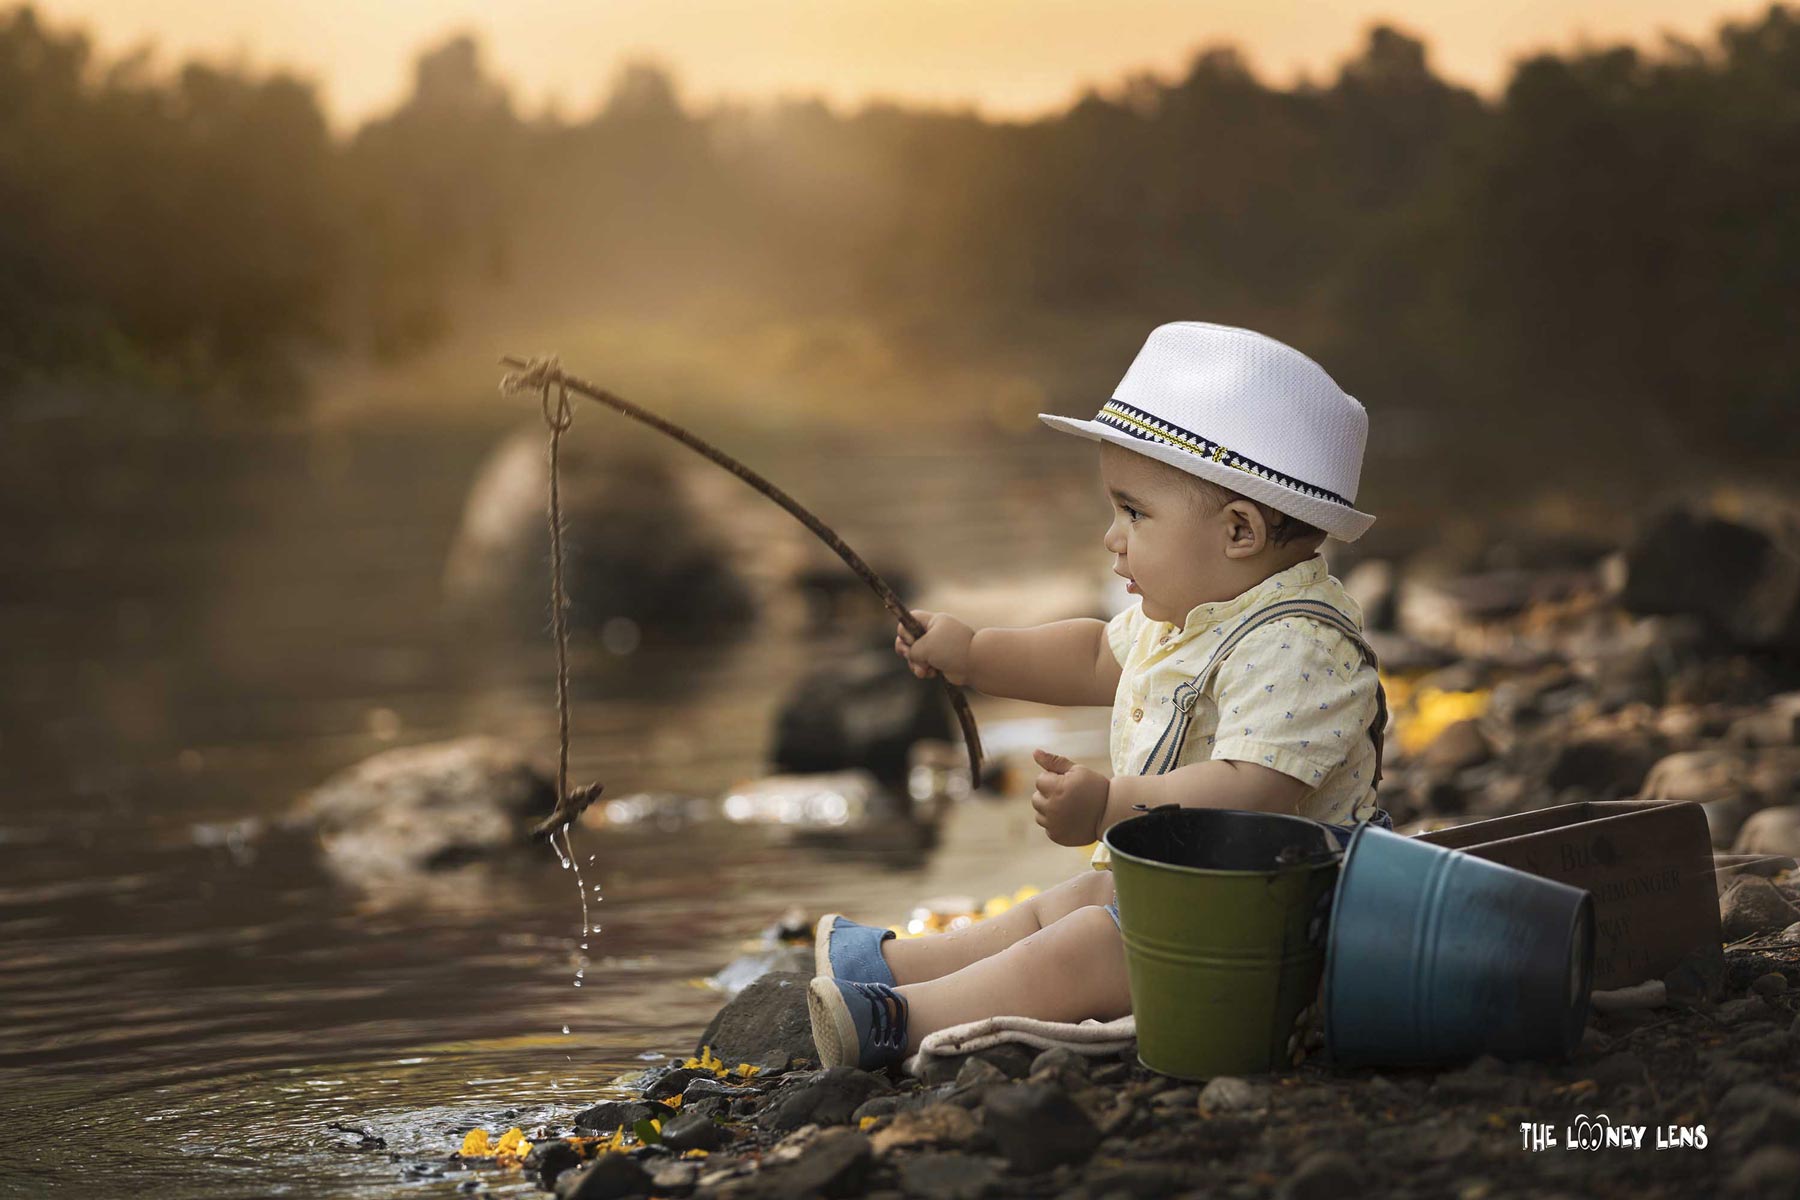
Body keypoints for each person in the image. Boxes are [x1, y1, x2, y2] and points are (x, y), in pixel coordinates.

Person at [807, 321, 1392, 1071]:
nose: (1112, 538)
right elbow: (1091, 654)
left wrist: (1112, 805)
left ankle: (901, 1020)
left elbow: (1257, 790)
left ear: (1240, 529)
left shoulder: (1301, 645)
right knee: (1078, 903)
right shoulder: (1199, 614)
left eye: (1133, 512)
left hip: (1286, 933)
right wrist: (975, 653)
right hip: (1210, 904)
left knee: (1089, 943)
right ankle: (900, 967)